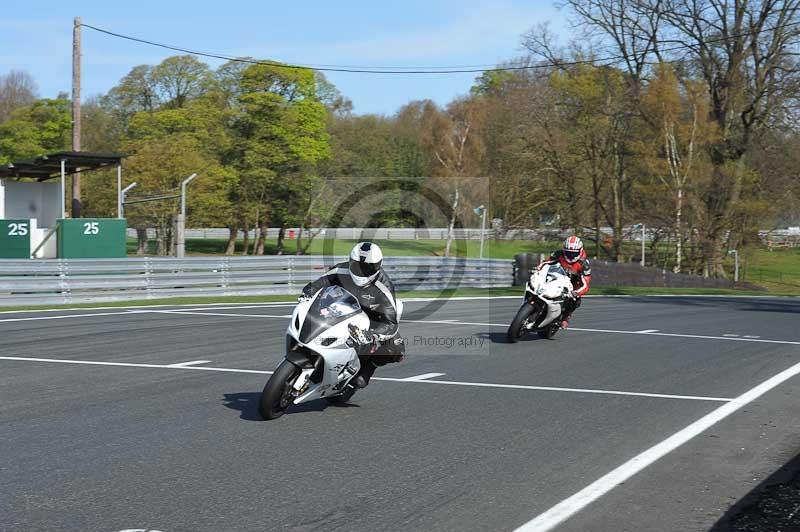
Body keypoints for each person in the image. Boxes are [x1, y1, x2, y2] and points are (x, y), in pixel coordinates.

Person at [300, 242, 404, 389]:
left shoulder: (384, 287)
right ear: (350, 261)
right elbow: (318, 284)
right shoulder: (340, 270)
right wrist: (307, 294)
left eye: (367, 268)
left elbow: (391, 323)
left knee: (395, 347)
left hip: (368, 320)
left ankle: (367, 368)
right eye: (357, 266)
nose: (361, 271)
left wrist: (372, 335)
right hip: (338, 309)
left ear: (378, 266)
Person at [538, 236, 592, 329]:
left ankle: (565, 317)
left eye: (574, 253)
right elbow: (546, 263)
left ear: (580, 251)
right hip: (555, 276)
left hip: (573, 284)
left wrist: (576, 293)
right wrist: (538, 268)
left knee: (575, 300)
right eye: (568, 253)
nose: (571, 256)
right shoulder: (558, 254)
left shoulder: (584, 264)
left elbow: (586, 284)